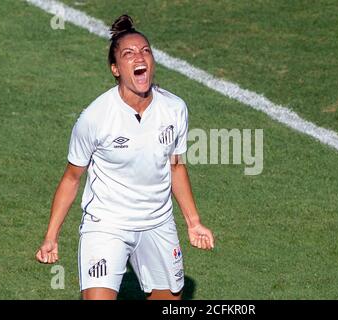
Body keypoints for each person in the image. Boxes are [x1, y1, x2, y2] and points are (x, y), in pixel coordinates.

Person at [35, 14, 215, 300]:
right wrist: (50, 236)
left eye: (145, 51)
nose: (139, 57)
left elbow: (176, 166)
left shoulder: (174, 109)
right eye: (128, 54)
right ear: (115, 68)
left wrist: (193, 222)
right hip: (107, 223)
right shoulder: (95, 117)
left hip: (157, 222)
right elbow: (72, 178)